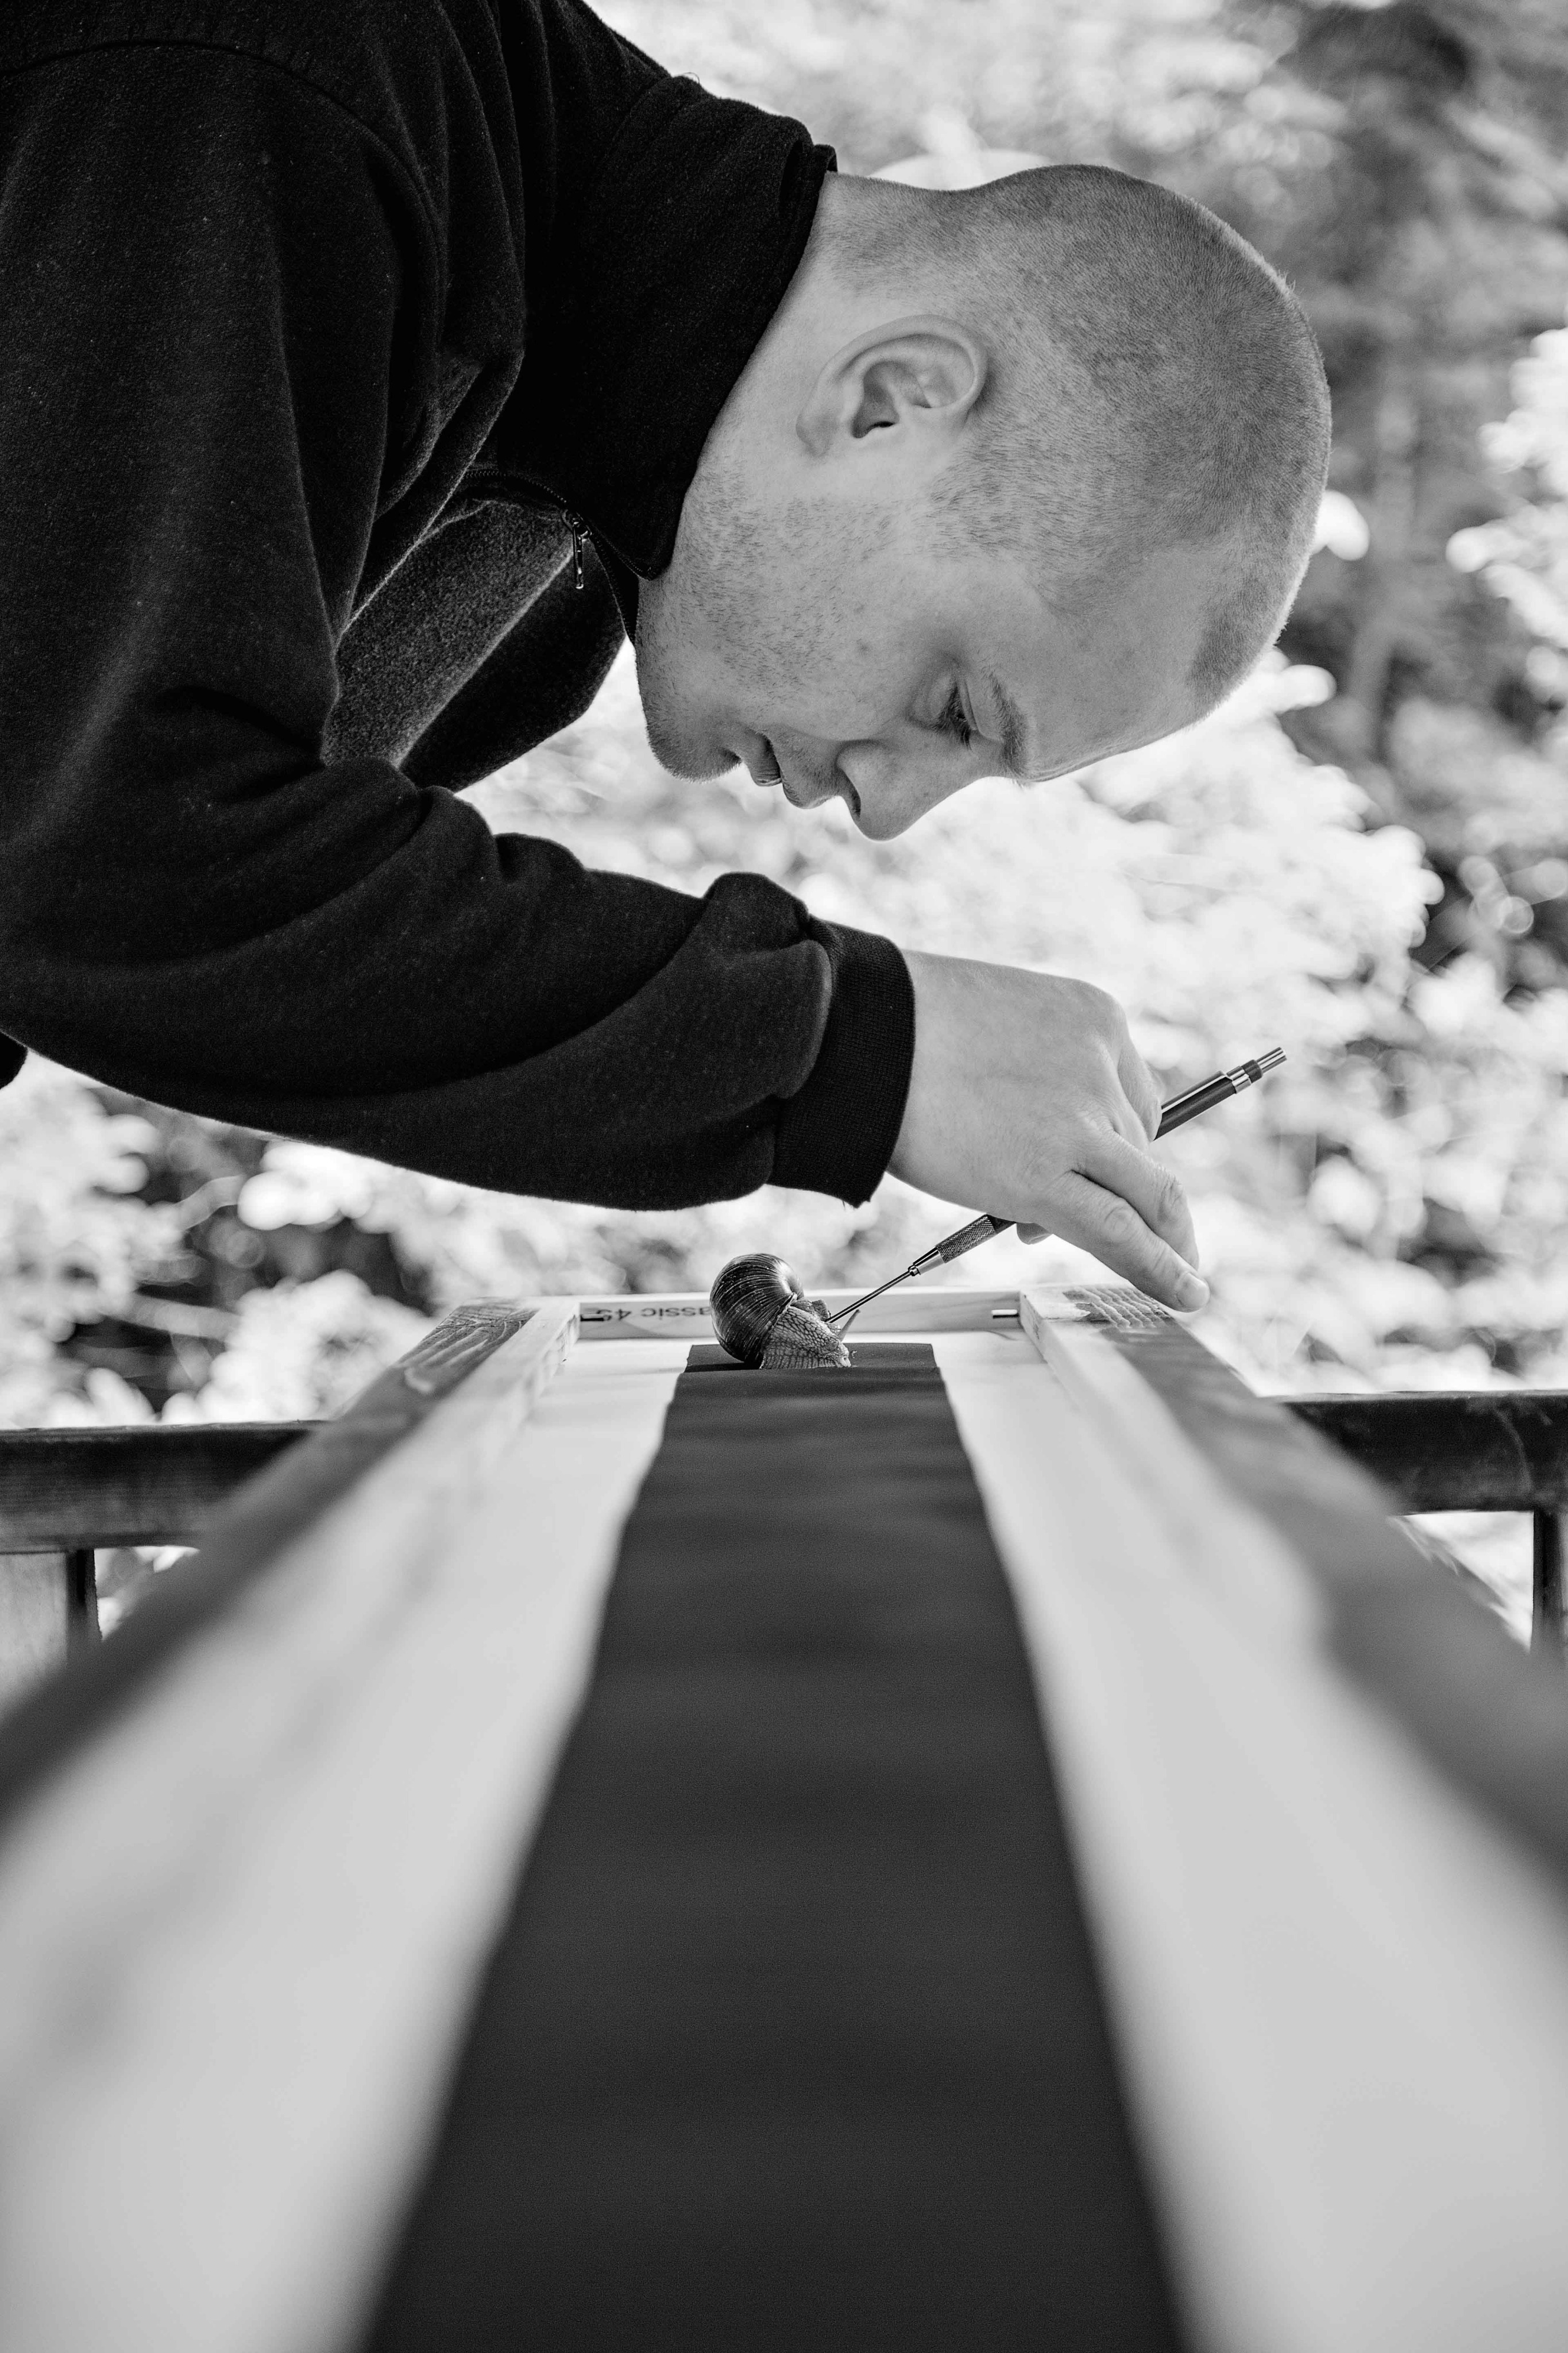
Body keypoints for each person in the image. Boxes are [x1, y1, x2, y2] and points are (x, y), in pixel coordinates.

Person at [0, 0, 1330, 1310]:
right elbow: (91, 847)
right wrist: (858, 1044)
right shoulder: (278, 86)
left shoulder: (569, 524)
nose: (888, 810)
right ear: (887, 404)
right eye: (955, 707)